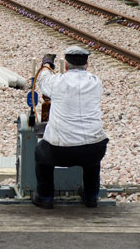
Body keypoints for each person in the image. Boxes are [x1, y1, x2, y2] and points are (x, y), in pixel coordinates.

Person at [32, 45, 108, 209]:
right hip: (94, 148)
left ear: (65, 66)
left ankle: (45, 197)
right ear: (87, 65)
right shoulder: (96, 82)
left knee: (40, 153)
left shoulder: (57, 82)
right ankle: (91, 197)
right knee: (92, 161)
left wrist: (46, 64)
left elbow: (43, 80)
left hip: (60, 150)